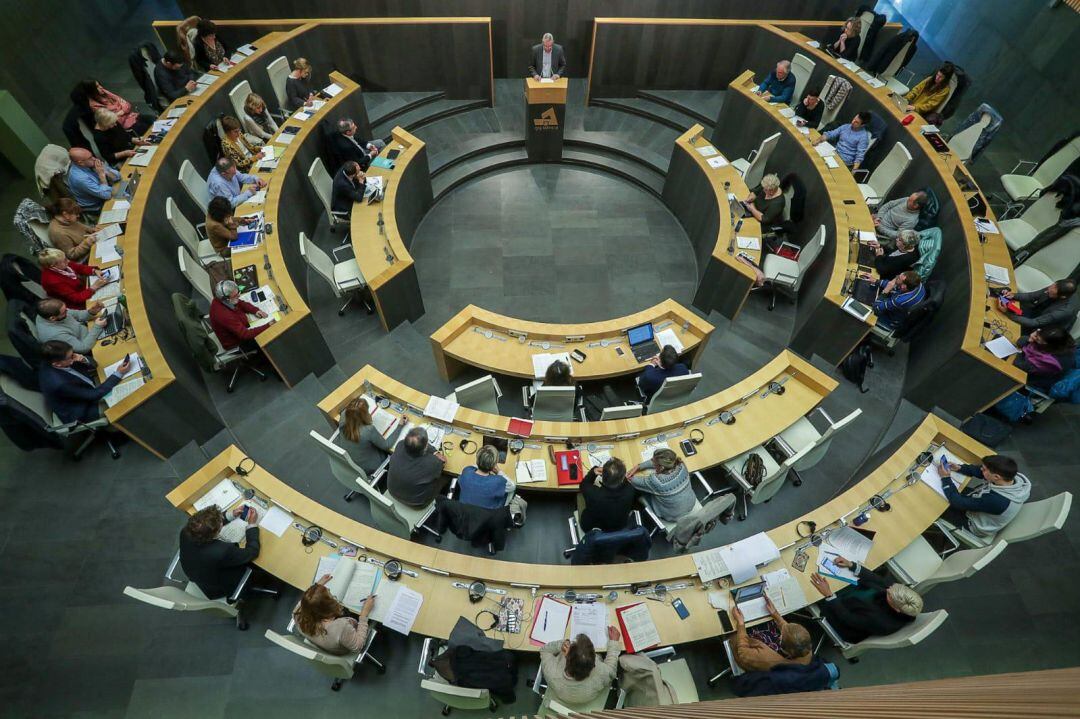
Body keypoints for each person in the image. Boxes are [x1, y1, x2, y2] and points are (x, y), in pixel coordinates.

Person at [809, 558, 923, 643]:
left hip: (845, 622)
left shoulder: (877, 619)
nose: (888, 588)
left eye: (889, 593)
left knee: (814, 591)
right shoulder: (899, 599)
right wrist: (852, 565)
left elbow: (847, 618)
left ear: (895, 608)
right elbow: (879, 581)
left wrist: (829, 595)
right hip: (863, 604)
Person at [936, 454, 1032, 538]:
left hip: (972, 523)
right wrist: (960, 468)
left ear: (996, 477)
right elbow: (981, 472)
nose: (981, 469)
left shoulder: (997, 501)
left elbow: (958, 503)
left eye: (984, 469)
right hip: (980, 500)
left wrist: (945, 478)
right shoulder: (1011, 477)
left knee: (937, 502)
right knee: (951, 492)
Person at [178, 505, 260, 600]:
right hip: (220, 586)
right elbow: (252, 552)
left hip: (199, 574)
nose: (222, 519)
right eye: (220, 521)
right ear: (215, 533)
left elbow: (206, 527)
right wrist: (251, 525)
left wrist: (232, 515)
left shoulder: (186, 531)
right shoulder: (222, 551)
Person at [38, 340, 130, 423]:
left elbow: (93, 365)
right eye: (70, 357)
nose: (74, 356)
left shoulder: (58, 359)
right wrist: (118, 374)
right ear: (57, 364)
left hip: (86, 389)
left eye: (73, 353)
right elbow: (94, 395)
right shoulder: (60, 383)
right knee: (126, 398)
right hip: (82, 411)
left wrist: (84, 360)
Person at [294, 576, 376, 655]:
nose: (333, 596)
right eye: (331, 596)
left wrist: (316, 588)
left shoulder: (297, 613)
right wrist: (364, 614)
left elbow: (307, 601)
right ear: (328, 609)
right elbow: (358, 646)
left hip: (325, 641)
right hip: (342, 647)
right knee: (348, 611)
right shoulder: (340, 628)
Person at [540, 627, 621, 707]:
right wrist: (614, 642)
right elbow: (611, 669)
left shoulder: (550, 672)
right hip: (586, 698)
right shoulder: (601, 674)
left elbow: (544, 650)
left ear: (566, 656)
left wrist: (561, 645)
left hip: (562, 695)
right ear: (594, 663)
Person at [731, 598, 813, 672]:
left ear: (781, 643)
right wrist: (775, 614)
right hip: (777, 652)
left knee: (732, 627)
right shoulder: (805, 649)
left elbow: (743, 652)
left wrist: (740, 624)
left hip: (748, 656)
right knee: (769, 623)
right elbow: (789, 631)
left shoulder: (767, 659)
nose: (780, 634)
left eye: (781, 636)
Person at [338, 396, 404, 477]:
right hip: (371, 467)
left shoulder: (343, 417)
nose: (369, 414)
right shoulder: (368, 430)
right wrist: (400, 426)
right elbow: (386, 445)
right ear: (362, 416)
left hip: (352, 464)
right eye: (367, 412)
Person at [626, 448, 695, 522]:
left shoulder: (658, 481)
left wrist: (629, 474)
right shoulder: (681, 464)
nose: (652, 462)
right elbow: (659, 462)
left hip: (672, 515)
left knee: (635, 490)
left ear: (662, 468)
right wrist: (639, 466)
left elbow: (633, 480)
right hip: (690, 503)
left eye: (654, 463)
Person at [387, 426, 448, 507]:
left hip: (392, 492)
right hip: (417, 503)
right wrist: (436, 453)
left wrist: (431, 450)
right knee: (446, 477)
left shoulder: (400, 445)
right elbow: (443, 462)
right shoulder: (433, 463)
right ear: (425, 447)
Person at [208, 279, 272, 351]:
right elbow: (245, 335)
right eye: (235, 295)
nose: (239, 295)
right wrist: (268, 325)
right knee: (270, 334)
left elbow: (240, 303)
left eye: (238, 292)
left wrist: (255, 310)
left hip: (241, 326)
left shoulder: (222, 298)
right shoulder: (224, 315)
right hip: (237, 343)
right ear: (226, 299)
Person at [579, 457, 636, 532]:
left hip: (593, 529)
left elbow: (583, 484)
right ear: (622, 479)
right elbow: (625, 483)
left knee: (579, 496)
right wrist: (618, 475)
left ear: (602, 476)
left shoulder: (593, 494)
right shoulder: (630, 490)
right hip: (619, 528)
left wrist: (593, 472)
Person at [76, 79, 153, 134]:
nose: (101, 87)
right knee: (147, 129)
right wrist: (122, 110)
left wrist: (120, 112)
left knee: (153, 120)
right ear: (91, 90)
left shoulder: (105, 92)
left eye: (99, 84)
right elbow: (114, 120)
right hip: (126, 125)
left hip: (133, 116)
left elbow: (127, 104)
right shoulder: (95, 106)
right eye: (97, 87)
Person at [38, 248, 106, 309]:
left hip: (85, 291)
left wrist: (94, 271)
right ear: (53, 266)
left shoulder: (62, 264)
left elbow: (80, 268)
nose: (68, 261)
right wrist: (94, 287)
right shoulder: (52, 281)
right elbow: (76, 298)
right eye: (64, 260)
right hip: (78, 304)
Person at [999, 280, 1079, 332]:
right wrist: (1013, 295)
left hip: (1042, 329)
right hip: (1034, 313)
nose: (1047, 291)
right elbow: (1032, 296)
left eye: (1050, 293)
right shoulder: (1055, 287)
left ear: (1062, 297)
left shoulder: (1064, 311)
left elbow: (1034, 323)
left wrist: (1007, 313)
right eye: (1050, 287)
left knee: (1005, 325)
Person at [35, 298, 107, 355]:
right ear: (53, 318)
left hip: (89, 332)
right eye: (64, 312)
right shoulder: (54, 334)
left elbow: (78, 315)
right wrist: (97, 327)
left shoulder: (49, 312)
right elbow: (83, 348)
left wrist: (91, 312)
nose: (67, 311)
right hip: (89, 345)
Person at [458, 444, 516, 510]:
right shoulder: (498, 482)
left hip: (464, 513)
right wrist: (498, 472)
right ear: (495, 464)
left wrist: (482, 463)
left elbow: (461, 476)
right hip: (488, 515)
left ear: (477, 460)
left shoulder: (467, 472)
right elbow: (512, 486)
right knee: (510, 491)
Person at [66, 147, 120, 213]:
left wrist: (105, 171)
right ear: (81, 163)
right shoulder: (80, 178)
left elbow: (117, 177)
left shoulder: (91, 163)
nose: (94, 158)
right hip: (97, 205)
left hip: (106, 191)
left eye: (92, 155)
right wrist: (102, 175)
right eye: (90, 158)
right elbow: (106, 195)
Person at [47, 197, 97, 262]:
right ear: (66, 215)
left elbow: (80, 226)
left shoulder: (67, 219)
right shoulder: (58, 233)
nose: (78, 216)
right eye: (76, 214)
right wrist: (87, 242)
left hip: (92, 243)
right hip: (87, 255)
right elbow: (71, 255)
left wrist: (92, 229)